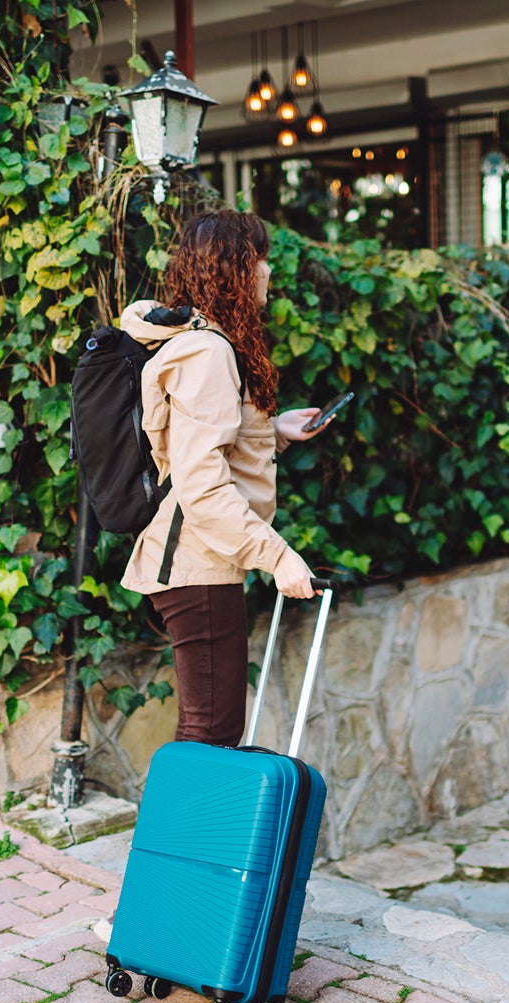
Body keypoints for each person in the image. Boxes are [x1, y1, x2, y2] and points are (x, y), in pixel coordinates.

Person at [117, 210, 326, 747]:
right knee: (210, 734)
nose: (268, 272)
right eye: (260, 259)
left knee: (208, 732)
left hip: (200, 557)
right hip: (197, 560)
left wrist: (274, 431)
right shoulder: (208, 352)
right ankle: (177, 836)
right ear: (236, 268)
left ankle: (184, 834)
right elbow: (201, 485)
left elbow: (207, 450)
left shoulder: (202, 342)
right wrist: (279, 557)